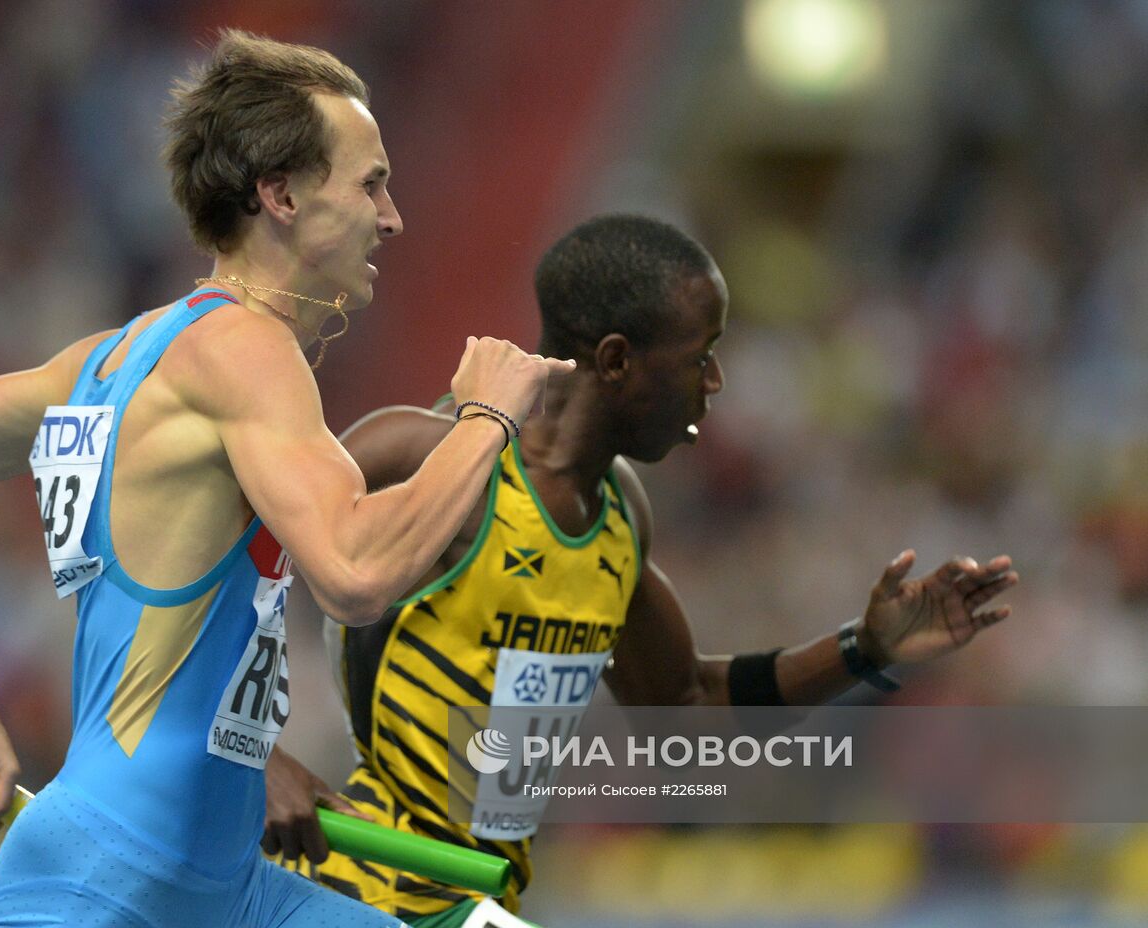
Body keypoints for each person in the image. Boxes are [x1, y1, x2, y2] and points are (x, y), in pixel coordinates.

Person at [0, 29, 573, 928]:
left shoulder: (107, 362)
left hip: (221, 885)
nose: (393, 217)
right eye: (371, 182)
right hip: (108, 887)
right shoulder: (243, 352)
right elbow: (354, 572)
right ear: (282, 195)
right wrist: (487, 418)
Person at [263, 215, 1019, 927]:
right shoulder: (424, 455)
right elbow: (204, 556)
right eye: (699, 355)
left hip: (477, 899)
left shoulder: (620, 515)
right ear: (618, 360)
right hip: (361, 885)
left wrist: (866, 649)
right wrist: (257, 758)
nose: (715, 380)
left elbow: (688, 705)